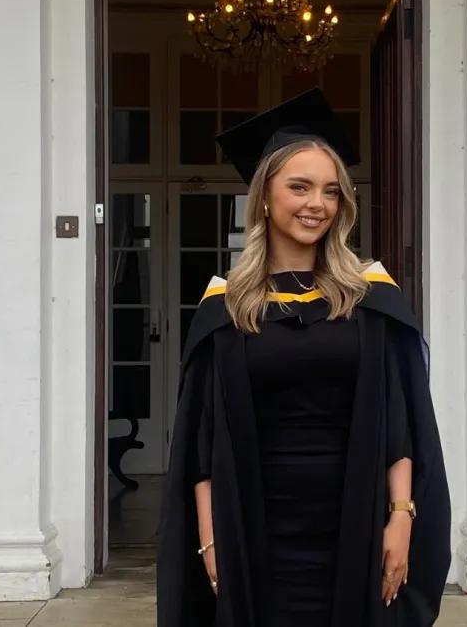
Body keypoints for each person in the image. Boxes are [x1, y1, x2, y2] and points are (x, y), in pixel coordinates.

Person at [157, 87, 450, 627]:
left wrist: (402, 518)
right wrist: (209, 538)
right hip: (252, 519)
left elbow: (401, 421)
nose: (317, 204)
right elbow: (201, 438)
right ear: (264, 196)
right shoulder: (226, 305)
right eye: (300, 187)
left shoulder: (370, 297)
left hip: (356, 516)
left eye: (331, 191)